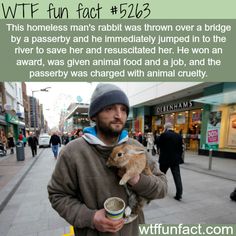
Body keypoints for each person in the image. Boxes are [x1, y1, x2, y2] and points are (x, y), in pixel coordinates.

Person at [47, 83, 167, 236]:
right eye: (110, 108)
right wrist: (91, 218)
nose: (119, 115)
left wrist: (137, 179)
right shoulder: (72, 152)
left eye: (123, 109)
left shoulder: (136, 147)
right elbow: (57, 195)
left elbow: (162, 187)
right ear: (94, 115)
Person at [156, 122, 184, 201]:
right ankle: (179, 194)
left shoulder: (163, 135)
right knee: (177, 176)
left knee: (161, 175)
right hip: (175, 160)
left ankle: (159, 190)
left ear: (165, 128)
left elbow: (157, 142)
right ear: (172, 128)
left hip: (164, 160)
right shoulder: (178, 136)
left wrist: (161, 134)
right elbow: (181, 149)